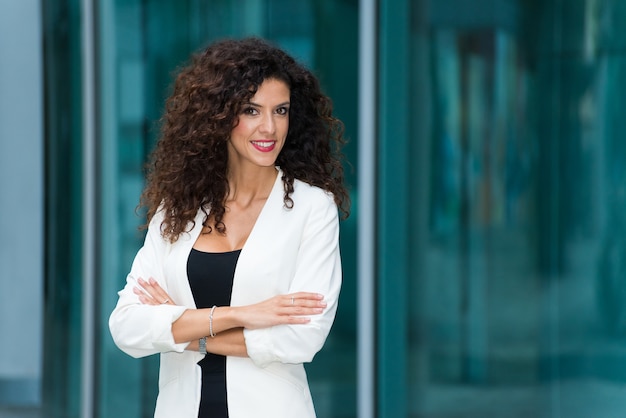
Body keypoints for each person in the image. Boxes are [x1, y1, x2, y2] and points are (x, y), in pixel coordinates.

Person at [108, 37, 350, 418]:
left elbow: (302, 339)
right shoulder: (179, 209)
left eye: (280, 110)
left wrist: (183, 331)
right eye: (251, 110)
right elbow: (126, 327)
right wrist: (241, 314)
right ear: (218, 116)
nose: (269, 127)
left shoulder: (312, 208)